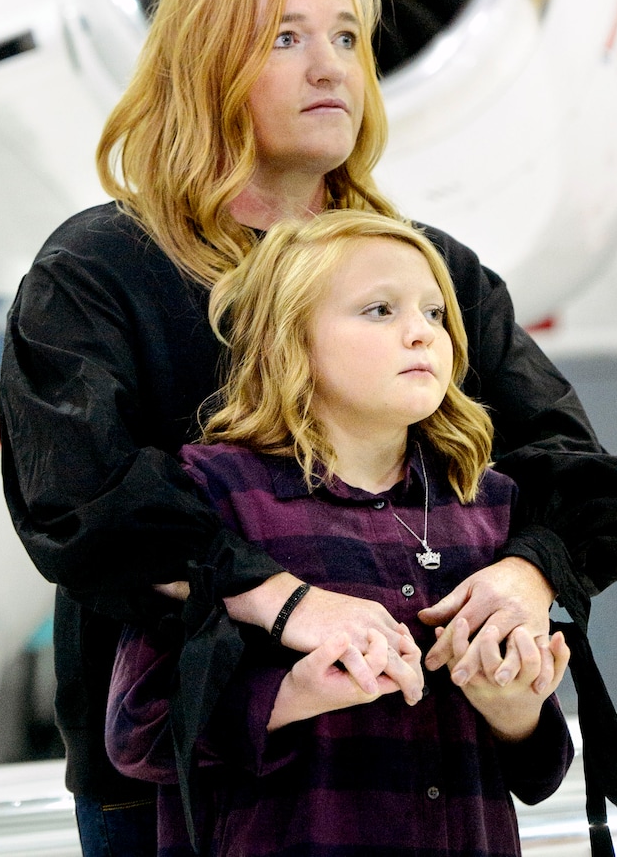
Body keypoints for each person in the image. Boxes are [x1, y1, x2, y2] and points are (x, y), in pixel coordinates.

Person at [0, 0, 617, 857]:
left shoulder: (430, 270)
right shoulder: (99, 271)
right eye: (286, 38)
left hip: (422, 771)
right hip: (175, 780)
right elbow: (83, 502)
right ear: (205, 63)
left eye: (346, 37)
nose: (332, 66)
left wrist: (526, 570)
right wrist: (293, 603)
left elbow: (571, 468)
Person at [105, 210, 574, 857]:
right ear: (289, 339)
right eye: (380, 310)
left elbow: (540, 772)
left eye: (435, 314)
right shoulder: (210, 498)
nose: (420, 334)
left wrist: (514, 708)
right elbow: (140, 730)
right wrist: (293, 694)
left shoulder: (487, 505)